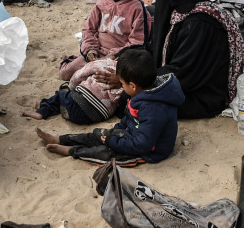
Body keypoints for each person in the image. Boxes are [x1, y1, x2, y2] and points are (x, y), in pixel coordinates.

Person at [22, 0, 150, 123]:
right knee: (66, 73)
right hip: (96, 53)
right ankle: (72, 77)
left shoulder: (137, 7)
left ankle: (67, 98)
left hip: (117, 58)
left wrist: (112, 57)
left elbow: (137, 42)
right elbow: (88, 29)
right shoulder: (102, 4)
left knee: (100, 80)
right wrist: (90, 51)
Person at [127, 0, 244, 119]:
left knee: (130, 102)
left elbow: (181, 72)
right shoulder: (180, 15)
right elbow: (154, 47)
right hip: (181, 85)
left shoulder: (200, 22)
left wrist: (136, 79)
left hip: (202, 97)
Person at [35, 48, 184, 165]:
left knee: (104, 153)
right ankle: (60, 139)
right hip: (134, 135)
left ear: (132, 85)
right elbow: (131, 118)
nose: (122, 86)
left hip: (149, 152)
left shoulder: (154, 109)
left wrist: (113, 141)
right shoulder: (142, 93)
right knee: (98, 135)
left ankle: (72, 151)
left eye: (122, 83)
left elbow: (141, 145)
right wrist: (117, 130)